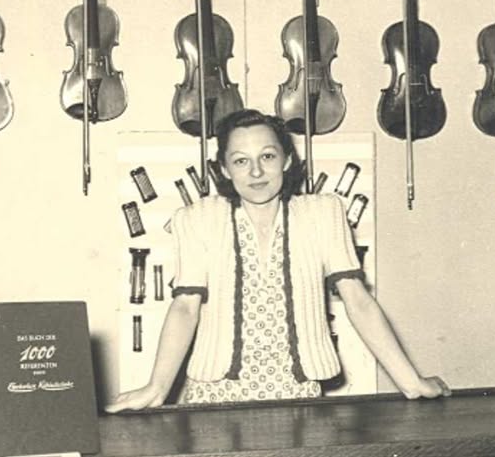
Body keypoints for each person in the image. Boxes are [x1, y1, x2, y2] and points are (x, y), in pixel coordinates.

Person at [106, 109, 450, 410]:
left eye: (267, 157)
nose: (256, 172)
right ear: (224, 169)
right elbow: (185, 307)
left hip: (297, 393)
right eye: (241, 160)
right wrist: (157, 388)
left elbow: (357, 301)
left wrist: (411, 382)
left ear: (286, 160)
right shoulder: (196, 218)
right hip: (216, 395)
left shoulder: (323, 212)